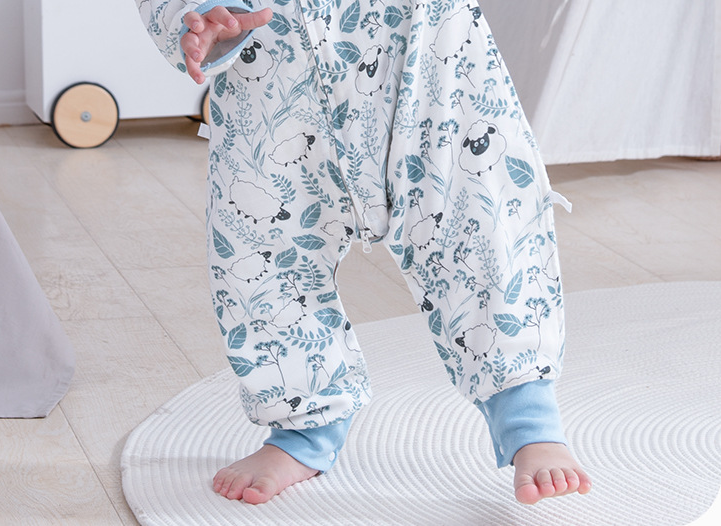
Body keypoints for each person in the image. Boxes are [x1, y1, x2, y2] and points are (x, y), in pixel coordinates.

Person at [136, 0, 592, 506]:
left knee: (482, 221)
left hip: (428, 56)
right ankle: (305, 426)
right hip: (269, 75)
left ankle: (526, 414)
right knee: (259, 253)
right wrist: (196, 17)